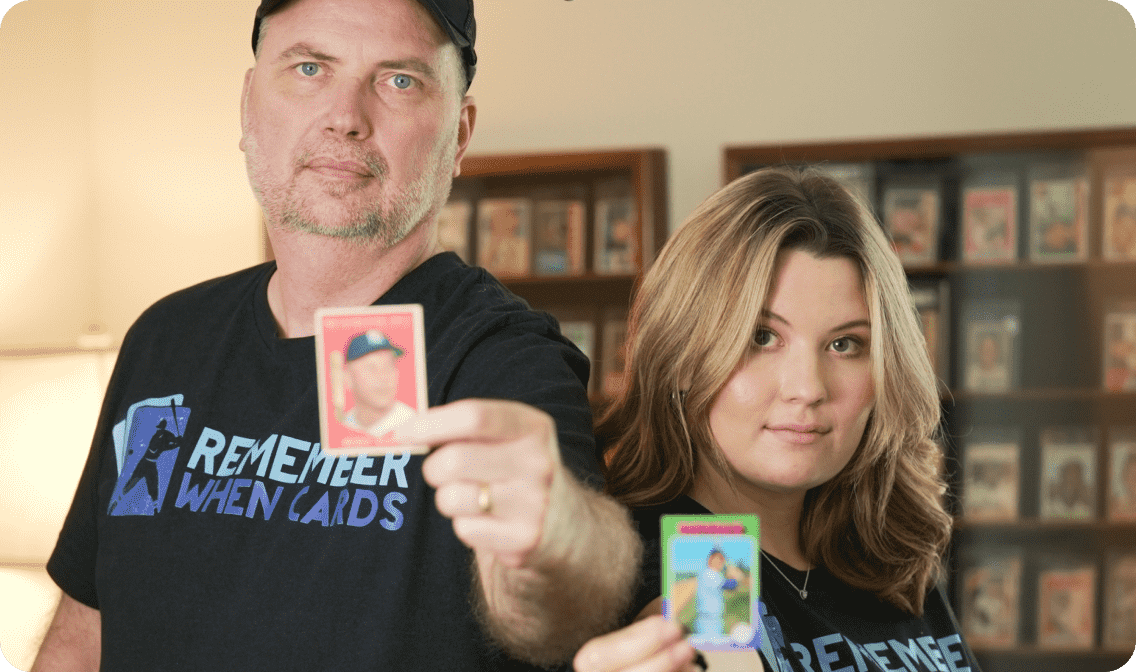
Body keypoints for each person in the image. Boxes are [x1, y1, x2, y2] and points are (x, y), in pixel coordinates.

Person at [32, 0, 641, 669]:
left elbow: (566, 591)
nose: (346, 116)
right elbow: (85, 625)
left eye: (399, 80)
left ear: (459, 135)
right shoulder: (165, 337)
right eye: (310, 67)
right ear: (248, 105)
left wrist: (556, 537)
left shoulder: (500, 362)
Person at [572, 167, 981, 672]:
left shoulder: (881, 553)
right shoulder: (701, 551)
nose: (807, 389)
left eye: (844, 344)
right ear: (681, 358)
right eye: (761, 338)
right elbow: (715, 652)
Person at [339, 330, 416, 436]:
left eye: (388, 367)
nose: (383, 377)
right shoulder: (344, 426)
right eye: (371, 368)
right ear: (348, 378)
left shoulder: (412, 423)